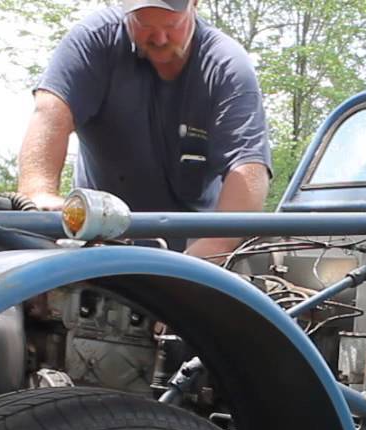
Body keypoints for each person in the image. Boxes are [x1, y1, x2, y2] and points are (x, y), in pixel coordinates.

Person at [17, 0, 272, 259]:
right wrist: (38, 191)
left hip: (193, 249)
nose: (159, 38)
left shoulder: (226, 65)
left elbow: (248, 167)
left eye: (172, 25)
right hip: (99, 241)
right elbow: (51, 113)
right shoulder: (93, 41)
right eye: (144, 25)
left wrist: (213, 249)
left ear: (194, 4)